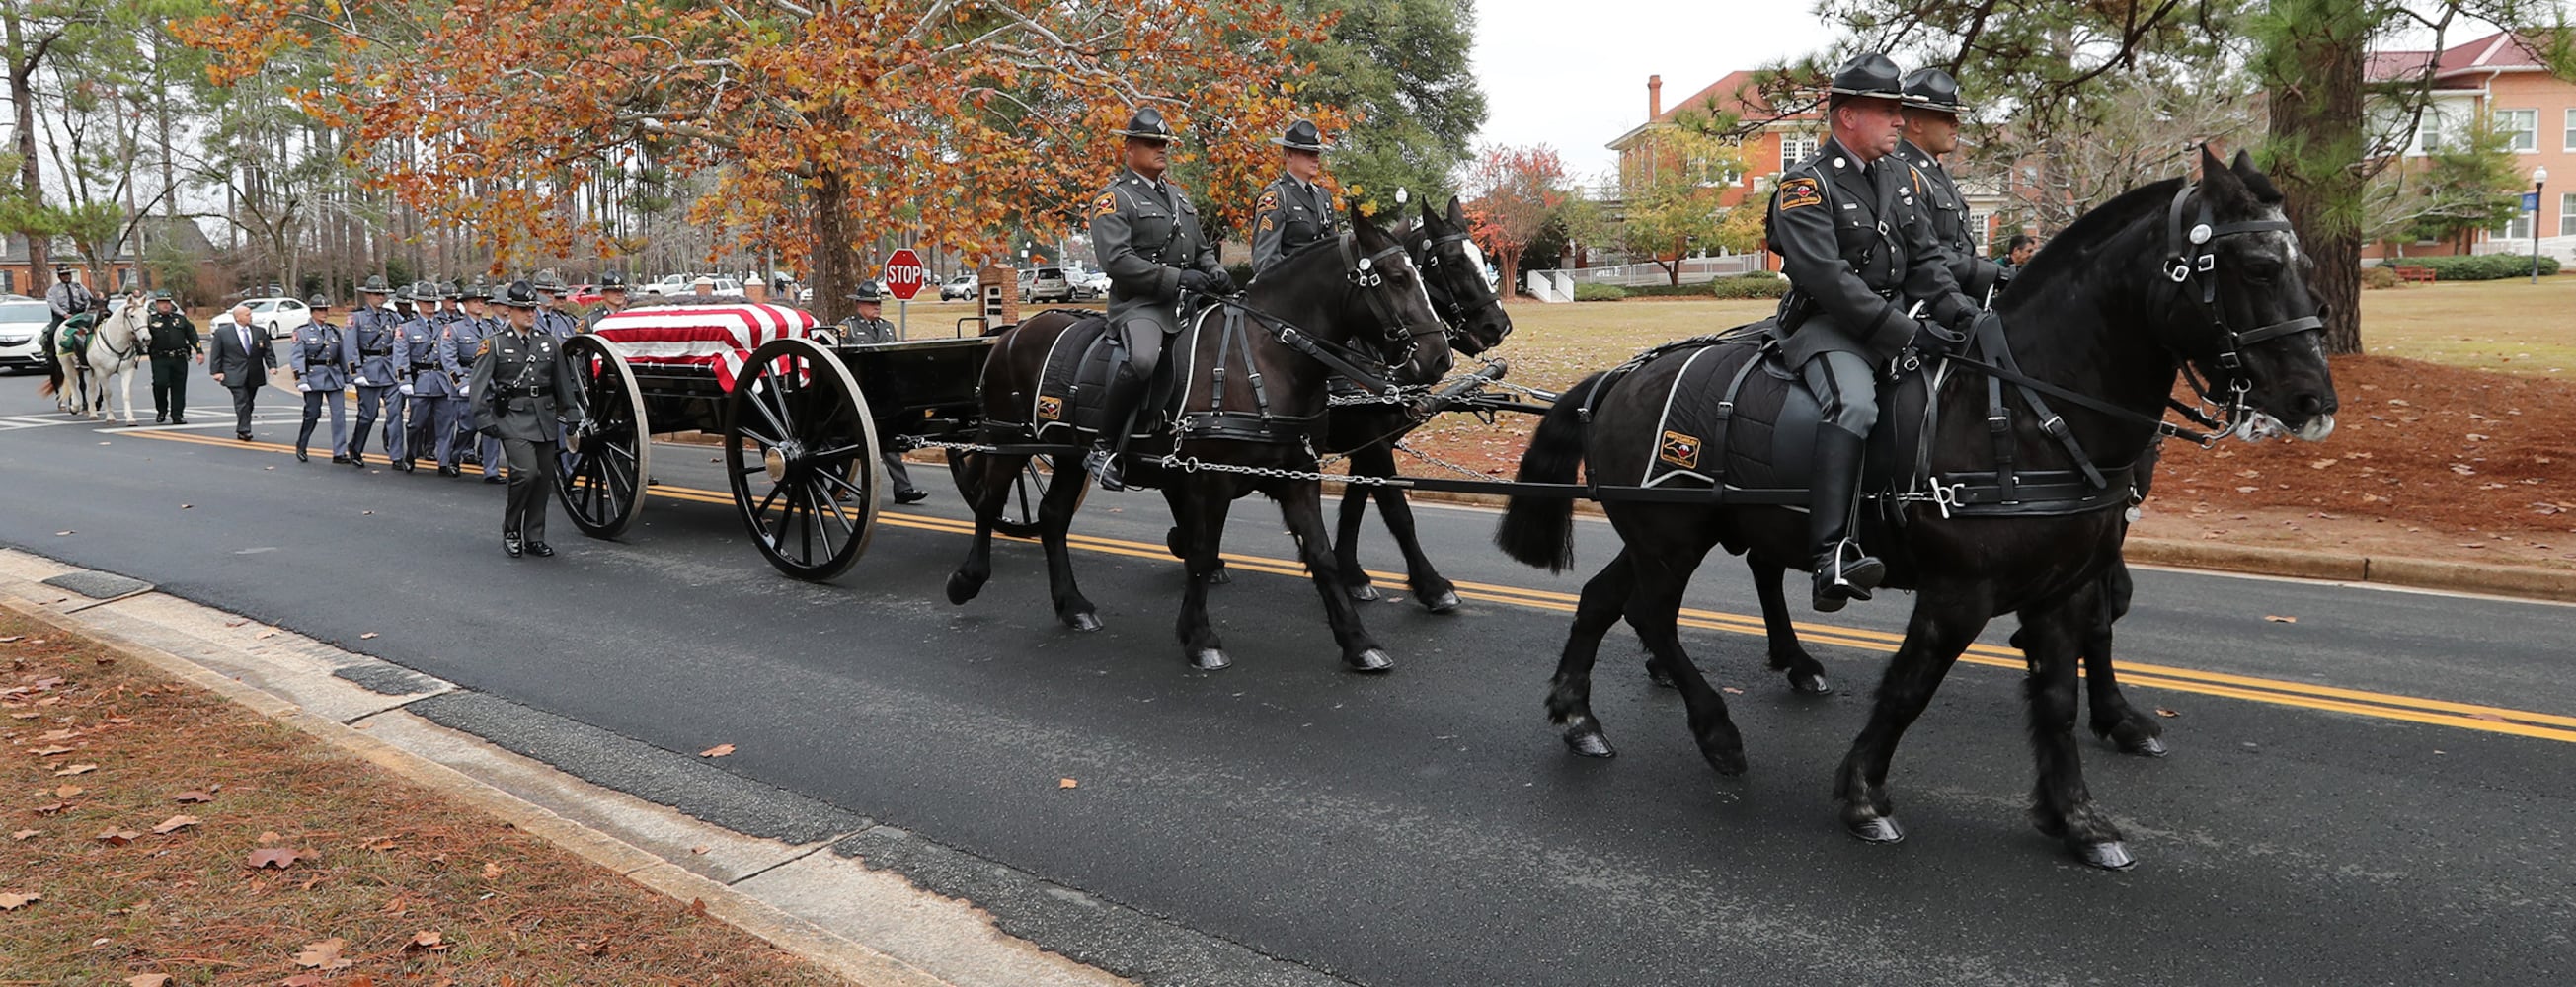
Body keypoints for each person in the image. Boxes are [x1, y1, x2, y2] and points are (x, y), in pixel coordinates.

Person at [1764, 52, 1979, 612]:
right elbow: (1828, 280)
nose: (1900, 122)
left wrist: (1961, 315)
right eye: (1887, 111)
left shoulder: (1895, 178)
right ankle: (1830, 554)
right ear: (1848, 116)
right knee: (1855, 406)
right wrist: (1904, 331)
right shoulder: (1804, 187)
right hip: (1827, 327)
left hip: (1890, 324)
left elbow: (1927, 259)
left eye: (1900, 112)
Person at [1083, 106, 1234, 490]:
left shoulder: (1179, 197)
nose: (1161, 149)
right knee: (1144, 359)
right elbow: (1116, 261)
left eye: (1164, 143)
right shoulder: (1113, 199)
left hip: (1184, 306)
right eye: (1152, 143)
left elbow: (1200, 248)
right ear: (1130, 148)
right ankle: (1102, 448)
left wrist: (1215, 272)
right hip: (1140, 306)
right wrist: (1178, 278)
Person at [471, 279, 586, 558]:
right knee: (526, 473)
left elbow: (562, 382)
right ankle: (511, 529)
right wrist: (483, 419)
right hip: (512, 418)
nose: (530, 314)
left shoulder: (548, 343)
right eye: (523, 310)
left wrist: (571, 412)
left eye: (532, 309)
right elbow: (478, 386)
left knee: (543, 478)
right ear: (510, 310)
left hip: (545, 418)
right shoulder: (494, 344)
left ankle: (534, 536)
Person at [1895, 67, 2007, 304]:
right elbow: (1924, 254)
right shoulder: (1902, 174)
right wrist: (1995, 273)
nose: (1956, 124)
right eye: (1947, 118)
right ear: (1916, 124)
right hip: (1928, 304)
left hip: (1958, 294)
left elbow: (1961, 248)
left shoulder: (1935, 172)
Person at [836, 280, 927, 503]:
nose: (876, 306)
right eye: (871, 303)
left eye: (878, 302)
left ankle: (903, 489)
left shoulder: (887, 327)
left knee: (888, 440)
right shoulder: (847, 328)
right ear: (859, 305)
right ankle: (840, 487)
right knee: (848, 443)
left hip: (882, 394)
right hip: (856, 393)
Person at [1249, 119, 1343, 277]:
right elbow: (1265, 260)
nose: (1316, 159)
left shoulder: (1324, 196)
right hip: (1289, 290)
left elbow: (1333, 247)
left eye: (1317, 153)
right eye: (1308, 153)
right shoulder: (1276, 196)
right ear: (1289, 155)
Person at [440, 283, 505, 483]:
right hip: (468, 381)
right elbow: (449, 359)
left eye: (481, 301)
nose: (479, 304)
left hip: (489, 384)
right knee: (467, 428)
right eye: (475, 301)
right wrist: (460, 384)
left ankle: (491, 470)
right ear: (465, 304)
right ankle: (455, 456)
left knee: (491, 427)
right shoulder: (454, 329)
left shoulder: (491, 327)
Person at [391, 284, 455, 473]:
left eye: (433, 302)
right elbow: (400, 357)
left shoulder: (446, 327)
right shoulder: (407, 328)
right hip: (421, 381)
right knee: (416, 424)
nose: (430, 305)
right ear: (418, 303)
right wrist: (404, 382)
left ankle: (444, 462)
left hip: (443, 380)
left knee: (445, 424)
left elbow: (451, 355)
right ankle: (411, 453)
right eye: (426, 302)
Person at [345, 276, 403, 467]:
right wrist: (356, 374)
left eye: (383, 294)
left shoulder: (392, 316)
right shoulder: (357, 317)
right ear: (368, 295)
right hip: (369, 370)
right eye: (377, 294)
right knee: (368, 415)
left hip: (391, 369)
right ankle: (356, 447)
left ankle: (396, 455)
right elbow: (350, 348)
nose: (380, 297)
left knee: (395, 413)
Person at [288, 294, 352, 463]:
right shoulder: (301, 332)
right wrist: (300, 379)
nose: (324, 313)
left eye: (325, 309)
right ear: (312, 312)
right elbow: (297, 357)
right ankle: (302, 443)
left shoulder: (334, 331)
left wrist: (347, 377)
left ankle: (339, 452)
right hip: (313, 375)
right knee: (312, 413)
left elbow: (342, 355)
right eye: (320, 310)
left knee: (339, 415)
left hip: (333, 375)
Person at [206, 302, 275, 441]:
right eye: (247, 314)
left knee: (249, 401)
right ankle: (244, 430)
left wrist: (272, 366)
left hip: (254, 372)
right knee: (241, 400)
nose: (250, 316)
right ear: (238, 317)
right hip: (233, 372)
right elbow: (216, 354)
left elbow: (267, 351)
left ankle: (242, 425)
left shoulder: (259, 331)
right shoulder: (223, 333)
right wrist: (216, 371)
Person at [143, 291, 200, 425]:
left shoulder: (180, 319)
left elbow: (192, 334)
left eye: (167, 303)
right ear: (157, 304)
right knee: (160, 384)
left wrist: (199, 351)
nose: (165, 306)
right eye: (162, 303)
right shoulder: (150, 320)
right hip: (160, 358)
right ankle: (161, 410)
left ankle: (177, 415)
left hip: (179, 357)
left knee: (179, 387)